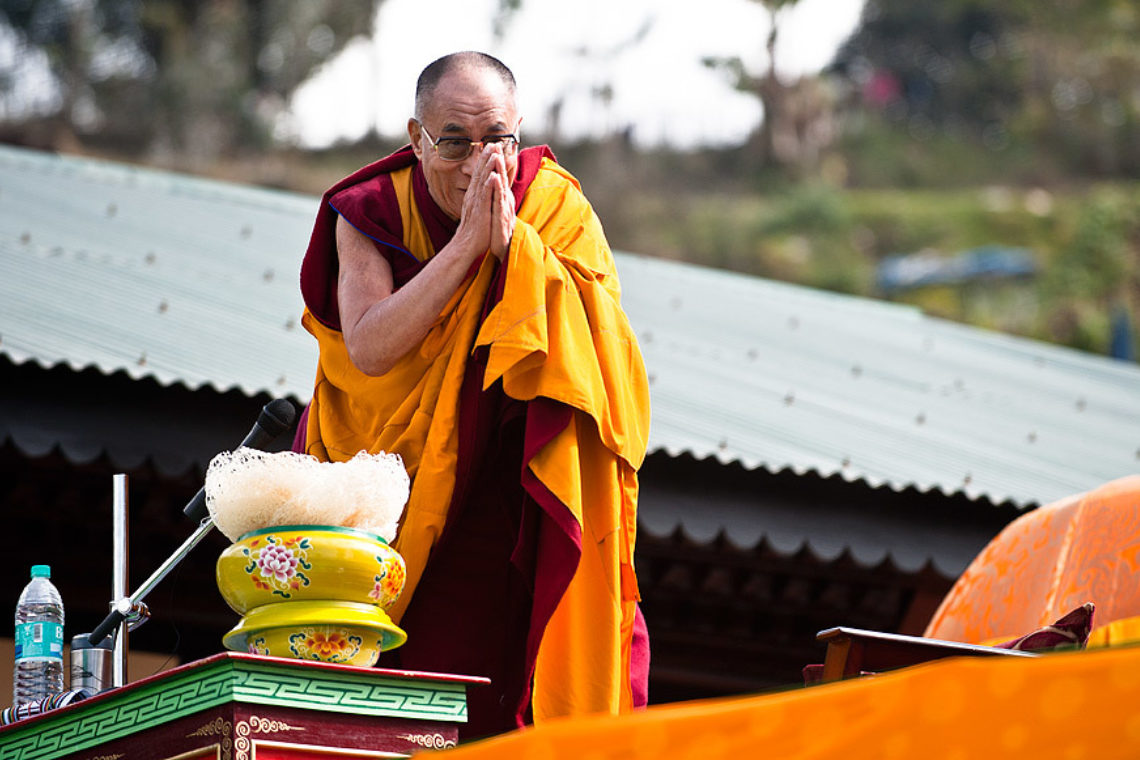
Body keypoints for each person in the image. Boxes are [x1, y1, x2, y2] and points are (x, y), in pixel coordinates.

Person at [294, 51, 650, 738]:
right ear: (416, 137)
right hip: (388, 495)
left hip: (518, 496)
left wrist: (518, 250)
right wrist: (469, 248)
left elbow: (608, 370)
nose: (477, 163)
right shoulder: (368, 211)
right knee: (392, 699)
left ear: (518, 132)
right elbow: (369, 347)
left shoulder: (555, 207)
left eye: (497, 140)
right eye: (454, 141)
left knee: (513, 694)